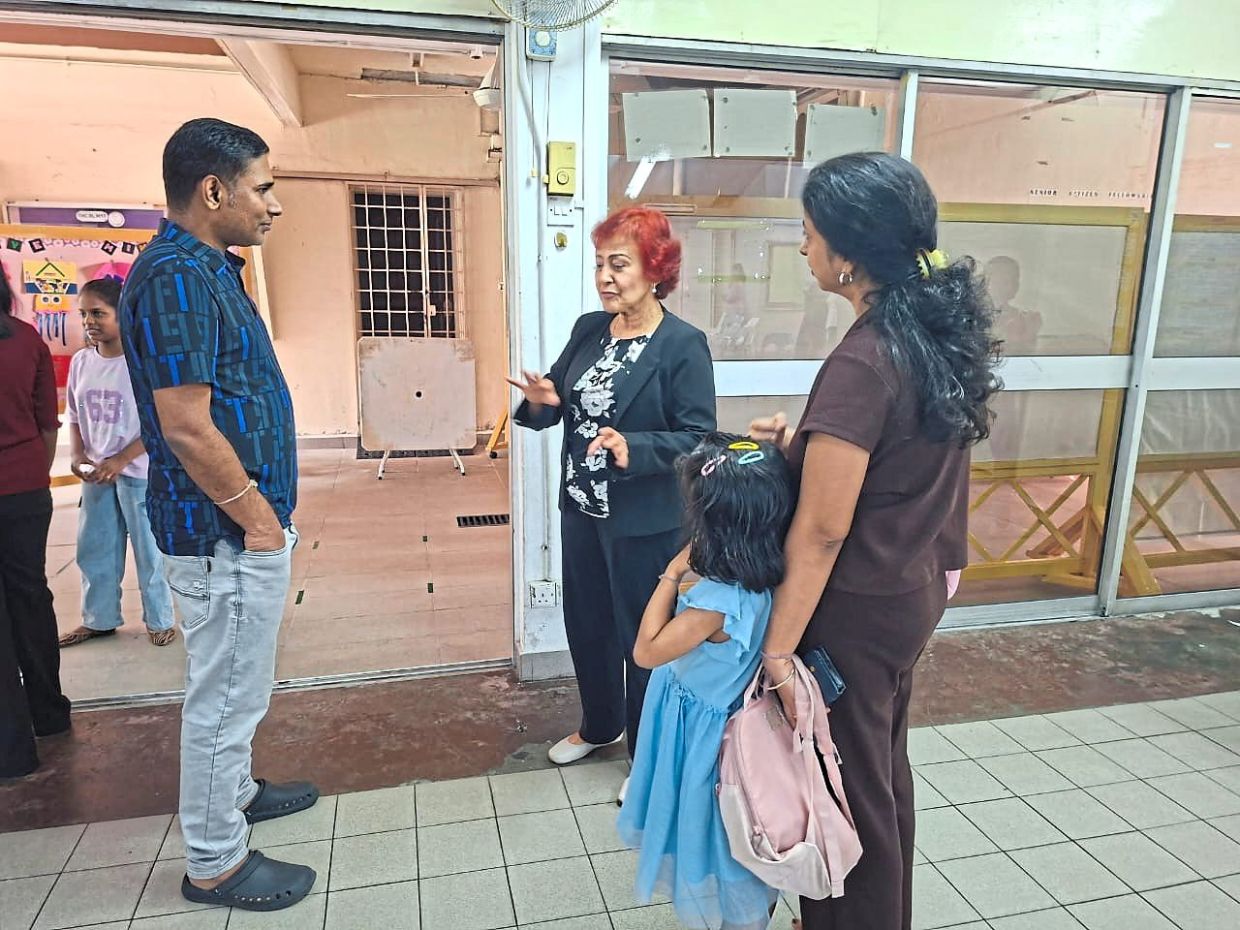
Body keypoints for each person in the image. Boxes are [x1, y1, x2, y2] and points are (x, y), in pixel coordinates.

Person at [750, 152, 1000, 930]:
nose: (801, 247)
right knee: (878, 772)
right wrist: (805, 446)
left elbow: (824, 531)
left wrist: (778, 651)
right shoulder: (930, 333)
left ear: (848, 255)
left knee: (842, 786)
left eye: (808, 231)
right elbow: (896, 464)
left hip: (852, 611)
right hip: (909, 591)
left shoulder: (865, 357)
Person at [120, 118, 317, 911]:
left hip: (237, 527)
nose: (274, 205)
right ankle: (215, 863)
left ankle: (232, 793)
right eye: (262, 187)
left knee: (240, 687)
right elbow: (187, 424)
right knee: (226, 697)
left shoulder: (208, 271)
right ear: (213, 190)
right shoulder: (174, 277)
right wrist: (259, 522)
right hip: (224, 534)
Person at [508, 205, 716, 803]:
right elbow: (557, 404)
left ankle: (647, 756)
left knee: (643, 637)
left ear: (655, 269)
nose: (604, 276)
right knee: (589, 625)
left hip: (646, 521)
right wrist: (544, 401)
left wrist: (637, 446)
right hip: (582, 511)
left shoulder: (682, 345)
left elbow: (700, 437)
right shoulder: (588, 330)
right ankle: (600, 724)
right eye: (599, 263)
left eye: (618, 264)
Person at [618, 432, 792, 930]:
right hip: (739, 717)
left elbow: (646, 651)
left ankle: (741, 919)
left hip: (700, 731)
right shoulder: (775, 573)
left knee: (709, 828)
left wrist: (671, 574)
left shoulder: (716, 602)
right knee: (739, 822)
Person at [57, 277, 176, 650]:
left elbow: (159, 422)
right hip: (97, 477)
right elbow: (74, 415)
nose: (90, 321)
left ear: (123, 315)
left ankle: (159, 619)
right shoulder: (81, 362)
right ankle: (99, 619)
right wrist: (79, 456)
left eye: (98, 313)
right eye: (84, 314)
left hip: (138, 473)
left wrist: (122, 459)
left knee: (148, 549)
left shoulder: (141, 364)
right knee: (95, 548)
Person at [0, 267, 72, 779]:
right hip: (24, 486)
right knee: (29, 595)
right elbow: (47, 421)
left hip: (21, 483)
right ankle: (49, 712)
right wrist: (31, 472)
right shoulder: (26, 340)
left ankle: (11, 749)